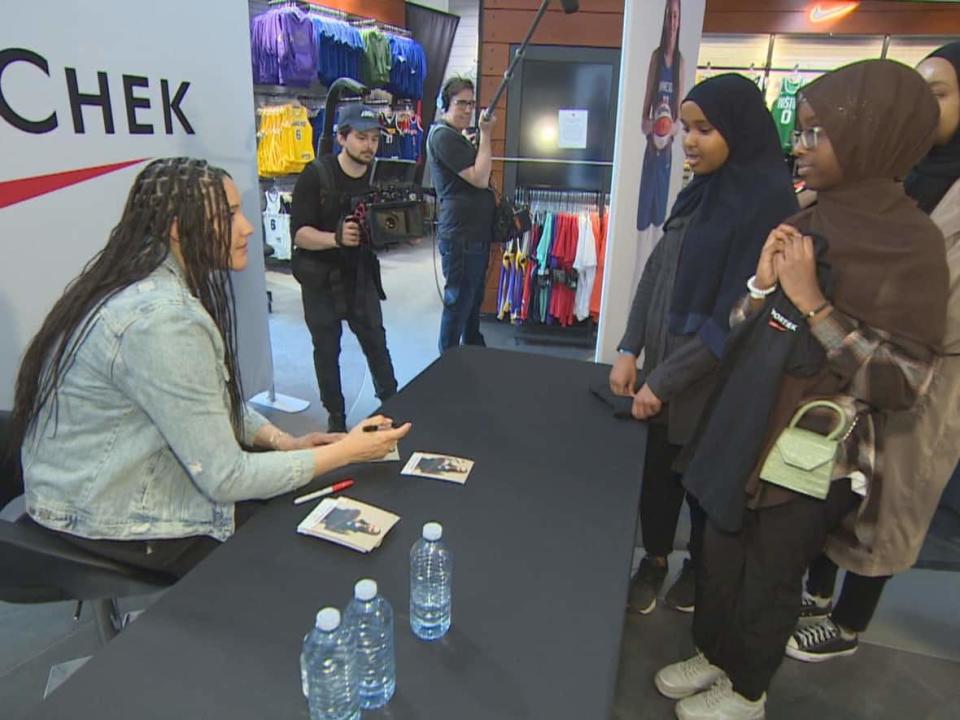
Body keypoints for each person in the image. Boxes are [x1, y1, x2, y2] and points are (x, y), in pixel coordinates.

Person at [655, 60, 948, 720]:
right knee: (719, 549)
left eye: (819, 134)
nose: (802, 146)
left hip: (815, 452)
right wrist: (761, 287)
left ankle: (748, 688)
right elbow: (741, 326)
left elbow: (903, 382)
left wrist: (816, 306)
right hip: (746, 420)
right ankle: (716, 652)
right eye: (802, 131)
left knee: (771, 573)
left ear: (873, 136)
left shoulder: (913, 247)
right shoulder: (810, 215)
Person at [11, 158, 411, 579]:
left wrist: (282, 441)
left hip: (83, 485)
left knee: (289, 485)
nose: (248, 228)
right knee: (295, 539)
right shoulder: (163, 321)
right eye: (230, 215)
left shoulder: (144, 282)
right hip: (100, 512)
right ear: (177, 229)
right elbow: (227, 479)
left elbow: (212, 402)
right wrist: (344, 452)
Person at [788, 41, 960, 663]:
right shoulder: (891, 177)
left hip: (932, 363)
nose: (922, 102)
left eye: (938, 91)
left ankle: (850, 621)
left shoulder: (920, 212)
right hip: (849, 359)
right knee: (842, 484)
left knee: (895, 496)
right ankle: (816, 592)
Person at [610, 74, 797, 615]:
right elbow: (658, 269)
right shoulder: (698, 191)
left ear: (738, 129)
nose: (689, 141)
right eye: (687, 128)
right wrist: (629, 347)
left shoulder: (767, 203)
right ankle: (656, 560)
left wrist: (664, 382)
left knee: (706, 481)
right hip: (668, 364)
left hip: (719, 377)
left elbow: (736, 317)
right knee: (658, 471)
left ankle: (701, 568)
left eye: (705, 129)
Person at [291, 103, 398, 433]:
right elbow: (299, 234)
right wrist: (336, 238)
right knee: (326, 349)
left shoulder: (379, 176)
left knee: (376, 343)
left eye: (375, 139)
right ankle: (335, 418)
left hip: (360, 274)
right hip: (320, 278)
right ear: (341, 137)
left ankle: (393, 405)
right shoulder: (316, 175)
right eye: (362, 138)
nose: (369, 146)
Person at [427, 76, 496, 353]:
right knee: (458, 301)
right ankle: (449, 360)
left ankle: (471, 352)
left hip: (472, 233)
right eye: (461, 103)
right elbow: (480, 178)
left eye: (471, 103)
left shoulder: (455, 136)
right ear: (446, 104)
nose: (468, 110)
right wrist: (487, 135)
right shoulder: (443, 136)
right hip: (462, 236)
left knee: (471, 300)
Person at [636, 0, 684, 232]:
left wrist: (670, 127)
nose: (673, 22)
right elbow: (646, 103)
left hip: (667, 148)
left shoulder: (680, 63)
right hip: (651, 146)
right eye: (669, 16)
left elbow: (680, 113)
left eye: (676, 16)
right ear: (664, 20)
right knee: (643, 212)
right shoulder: (656, 58)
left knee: (660, 215)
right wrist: (649, 124)